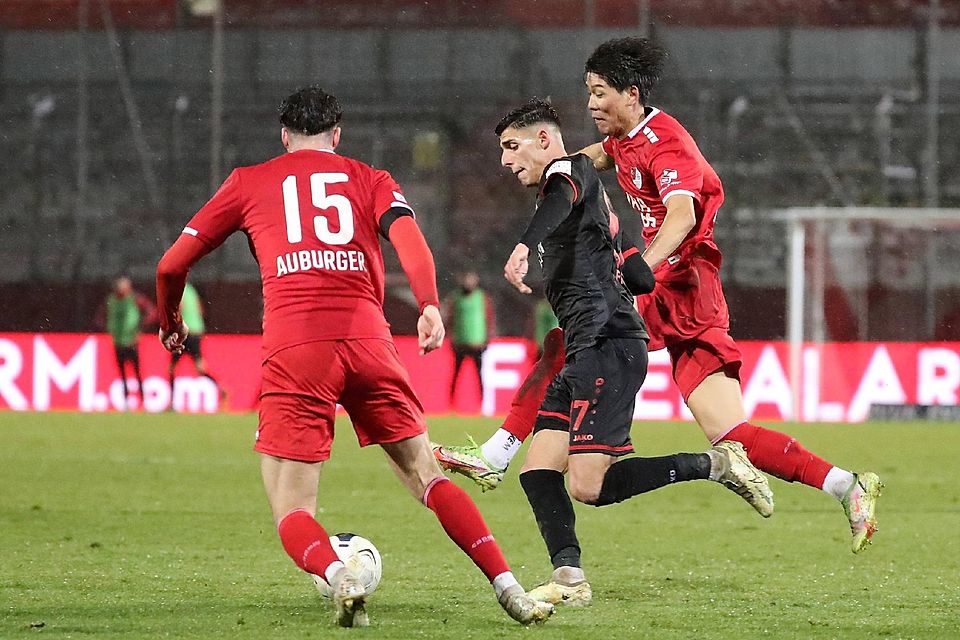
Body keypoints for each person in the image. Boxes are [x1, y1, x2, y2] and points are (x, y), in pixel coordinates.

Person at [436, 38, 882, 556]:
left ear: (631, 93)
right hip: (667, 287)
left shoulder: (666, 143)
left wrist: (642, 266)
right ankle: (847, 485)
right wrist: (536, 158)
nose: (590, 105)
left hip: (684, 288)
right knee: (579, 347)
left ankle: (497, 454)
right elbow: (578, 163)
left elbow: (682, 215)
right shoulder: (622, 138)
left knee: (590, 351)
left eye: (599, 93)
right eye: (587, 93)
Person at [155, 87, 553, 628]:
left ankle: (340, 576)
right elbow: (411, 242)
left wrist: (171, 321)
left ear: (284, 135)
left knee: (292, 508)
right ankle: (510, 588)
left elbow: (170, 267)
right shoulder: (371, 179)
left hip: (297, 346)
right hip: (369, 340)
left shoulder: (249, 182)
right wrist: (431, 306)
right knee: (427, 475)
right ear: (336, 135)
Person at [476, 98, 774, 605]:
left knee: (590, 486)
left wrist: (526, 244)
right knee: (538, 470)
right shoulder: (572, 189)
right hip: (586, 345)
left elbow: (563, 193)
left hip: (608, 342)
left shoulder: (567, 172)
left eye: (512, 146)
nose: (505, 160)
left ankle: (717, 465)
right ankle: (569, 579)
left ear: (545, 140)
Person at [167, 281, 223, 408]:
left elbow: (178, 308)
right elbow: (200, 309)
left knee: (171, 368)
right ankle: (221, 389)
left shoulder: (177, 289)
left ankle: (172, 403)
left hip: (185, 333)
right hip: (196, 330)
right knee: (200, 368)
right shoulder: (190, 289)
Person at [445, 270, 494, 407]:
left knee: (479, 376)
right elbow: (450, 319)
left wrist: (487, 338)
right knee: (456, 374)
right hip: (460, 343)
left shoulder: (482, 297)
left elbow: (488, 318)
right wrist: (451, 337)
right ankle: (451, 404)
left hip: (477, 343)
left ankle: (482, 405)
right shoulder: (455, 298)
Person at [105, 275, 154, 410]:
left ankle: (144, 401)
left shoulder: (135, 298)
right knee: (122, 373)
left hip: (131, 342)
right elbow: (104, 316)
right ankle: (126, 401)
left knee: (137, 372)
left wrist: (140, 329)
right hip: (118, 341)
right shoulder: (112, 300)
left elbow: (151, 311)